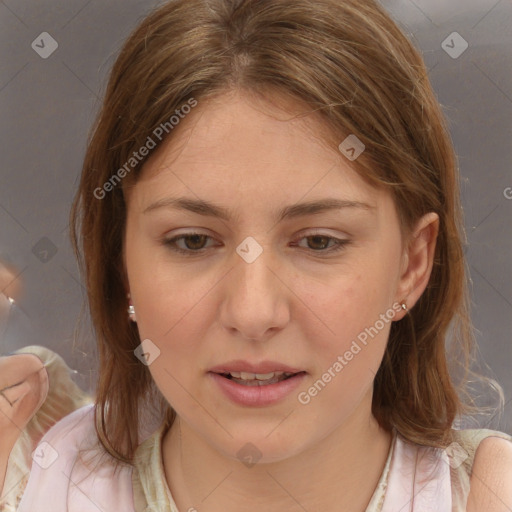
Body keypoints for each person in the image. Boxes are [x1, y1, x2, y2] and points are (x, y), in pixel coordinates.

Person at [16, 0, 512, 510]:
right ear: (122, 263)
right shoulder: (30, 480)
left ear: (411, 266)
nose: (253, 313)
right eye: (193, 241)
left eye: (319, 241)